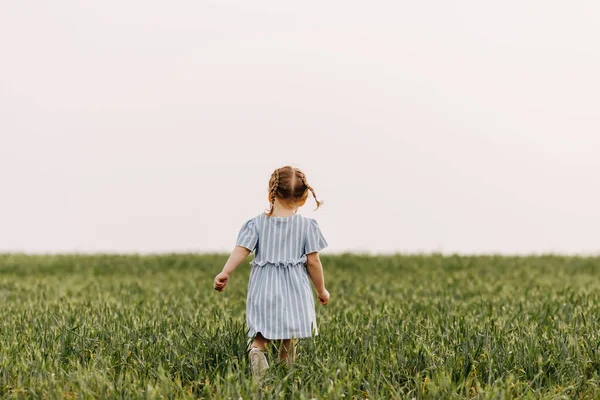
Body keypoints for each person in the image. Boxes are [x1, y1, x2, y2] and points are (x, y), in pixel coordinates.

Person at [213, 166, 330, 378]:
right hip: (295, 289)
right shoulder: (307, 226)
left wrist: (226, 271)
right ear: (303, 198)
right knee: (290, 335)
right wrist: (321, 290)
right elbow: (313, 262)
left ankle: (257, 352)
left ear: (271, 194)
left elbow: (242, 250)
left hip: (264, 287)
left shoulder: (256, 224)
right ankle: (285, 376)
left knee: (261, 334)